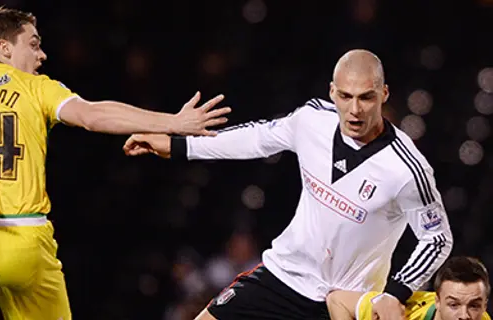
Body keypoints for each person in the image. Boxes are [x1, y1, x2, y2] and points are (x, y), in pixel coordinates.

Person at [0, 6, 231, 320]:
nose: (41, 56)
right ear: (4, 47)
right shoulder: (36, 88)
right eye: (34, 44)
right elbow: (92, 115)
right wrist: (172, 122)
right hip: (25, 241)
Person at [123, 49, 453, 320]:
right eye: (346, 96)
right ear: (332, 92)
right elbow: (256, 138)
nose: (354, 110)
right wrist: (179, 145)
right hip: (282, 277)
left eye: (366, 97)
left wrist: (396, 293)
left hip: (342, 303)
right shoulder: (312, 120)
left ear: (383, 94)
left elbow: (437, 238)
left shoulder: (407, 168)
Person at [326, 256, 491, 320]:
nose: (464, 316)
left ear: (484, 305)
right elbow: (337, 301)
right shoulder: (404, 313)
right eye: (453, 305)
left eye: (474, 306)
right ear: (438, 301)